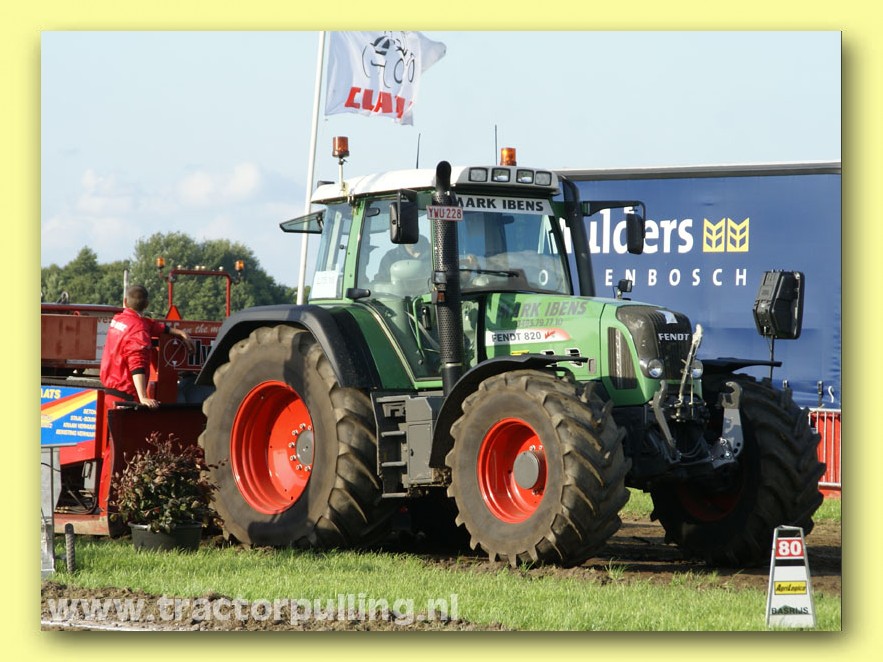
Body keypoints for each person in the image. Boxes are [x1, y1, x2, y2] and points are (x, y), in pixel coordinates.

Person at [100, 284, 194, 408]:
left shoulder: (119, 319)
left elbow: (150, 325)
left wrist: (177, 332)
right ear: (147, 304)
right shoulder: (139, 330)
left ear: (125, 302)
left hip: (110, 392)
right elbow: (137, 365)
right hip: (125, 398)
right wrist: (143, 397)